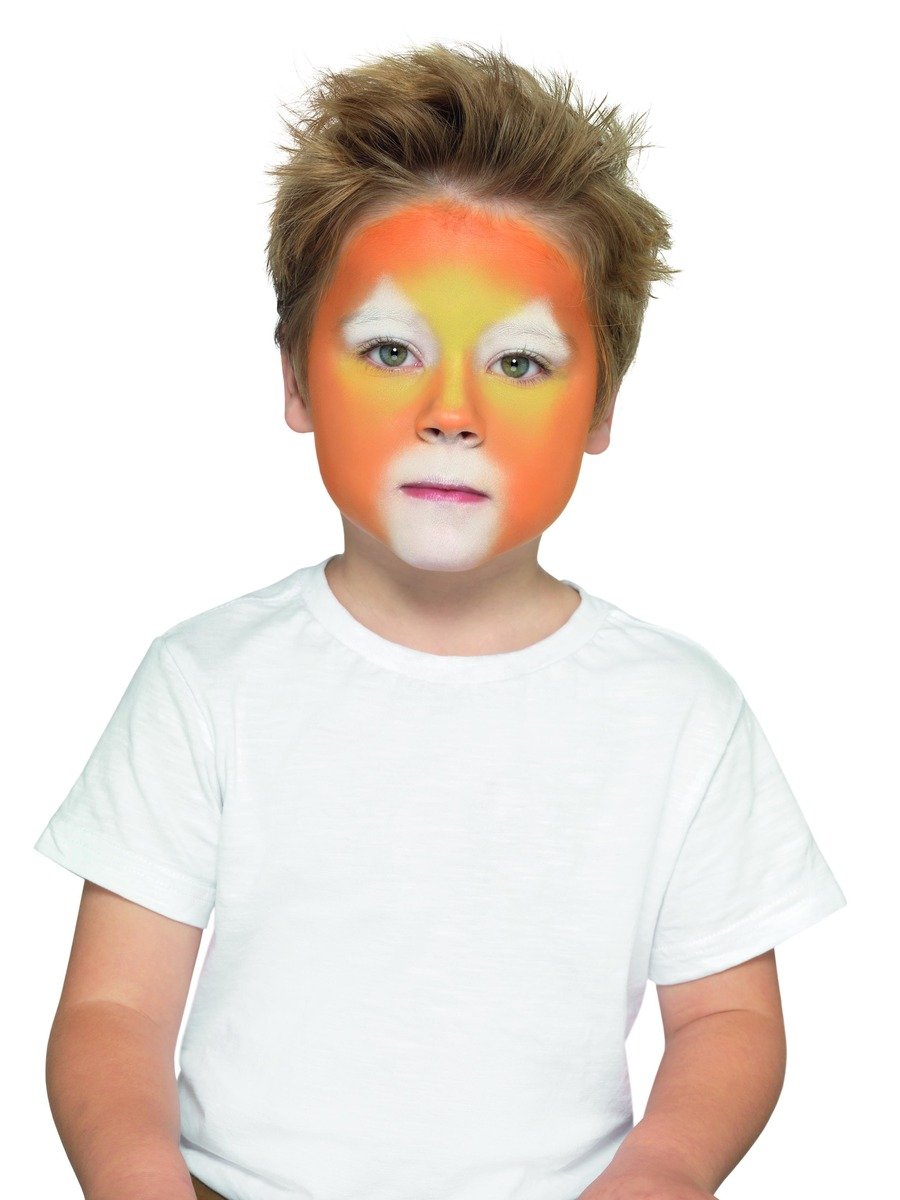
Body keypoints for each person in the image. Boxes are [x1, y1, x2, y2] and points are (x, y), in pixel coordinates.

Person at [34, 41, 847, 1200]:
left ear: (602, 406)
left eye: (518, 362)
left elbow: (729, 1020)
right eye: (389, 351)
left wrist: (661, 1175)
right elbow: (114, 1007)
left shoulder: (680, 712)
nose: (451, 412)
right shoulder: (204, 682)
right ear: (298, 382)